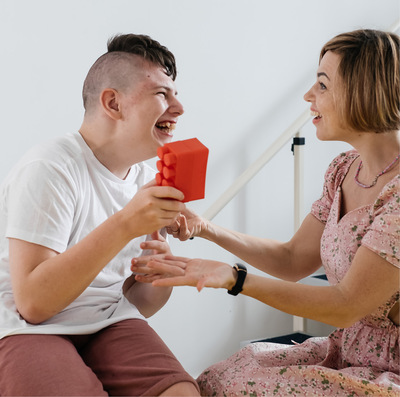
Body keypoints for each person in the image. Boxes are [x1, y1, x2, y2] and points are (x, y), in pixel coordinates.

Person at [131, 29, 400, 396]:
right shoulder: (343, 170)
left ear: (363, 90)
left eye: (322, 85)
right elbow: (292, 259)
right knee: (226, 373)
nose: (308, 95)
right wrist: (204, 228)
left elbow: (345, 306)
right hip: (348, 351)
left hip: (389, 369)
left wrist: (234, 278)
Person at [0, 33, 201, 396]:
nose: (179, 107)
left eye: (176, 94)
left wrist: (157, 278)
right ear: (113, 103)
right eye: (162, 94)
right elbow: (33, 305)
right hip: (27, 326)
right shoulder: (50, 168)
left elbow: (138, 303)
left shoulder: (144, 179)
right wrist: (126, 223)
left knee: (181, 392)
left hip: (107, 321)